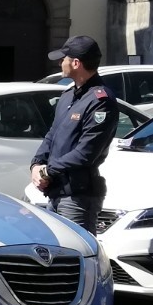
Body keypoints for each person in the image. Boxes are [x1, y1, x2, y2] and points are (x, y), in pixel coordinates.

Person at [29, 35, 118, 233]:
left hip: (77, 197)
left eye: (64, 59)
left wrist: (48, 171)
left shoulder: (100, 101)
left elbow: (86, 153)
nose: (61, 63)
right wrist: (36, 164)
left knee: (79, 257)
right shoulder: (69, 95)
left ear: (76, 63)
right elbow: (52, 134)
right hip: (55, 192)